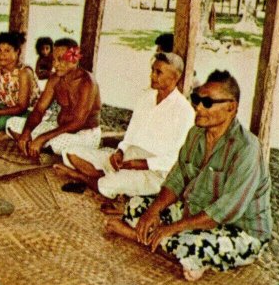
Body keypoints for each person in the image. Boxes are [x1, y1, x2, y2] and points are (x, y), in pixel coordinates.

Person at [104, 70, 272, 281]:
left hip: (240, 230)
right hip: (197, 213)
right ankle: (174, 249)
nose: (198, 107)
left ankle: (136, 236)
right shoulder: (196, 134)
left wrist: (171, 228)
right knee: (136, 206)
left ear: (231, 107)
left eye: (207, 102)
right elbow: (178, 177)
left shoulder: (247, 148)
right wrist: (154, 211)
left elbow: (227, 211)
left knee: (189, 245)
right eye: (196, 99)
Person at [57, 52, 194, 203]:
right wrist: (120, 152)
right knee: (70, 152)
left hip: (155, 170)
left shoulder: (185, 111)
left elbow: (175, 159)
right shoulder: (146, 97)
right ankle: (104, 177)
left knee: (111, 183)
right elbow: (131, 134)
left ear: (175, 77)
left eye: (158, 72)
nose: (152, 76)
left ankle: (83, 177)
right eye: (152, 70)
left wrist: (139, 164)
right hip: (130, 156)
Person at [7, 38, 101, 160]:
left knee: (58, 144)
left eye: (60, 60)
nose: (55, 64)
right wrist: (26, 133)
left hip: (85, 134)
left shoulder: (87, 82)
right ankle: (33, 144)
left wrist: (43, 137)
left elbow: (78, 122)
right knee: (12, 123)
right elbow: (39, 110)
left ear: (75, 59)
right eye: (54, 60)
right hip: (58, 128)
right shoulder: (55, 79)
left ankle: (39, 145)